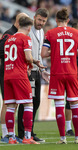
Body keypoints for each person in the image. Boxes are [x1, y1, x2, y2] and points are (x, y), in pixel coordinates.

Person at [41, 8, 78, 144]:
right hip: (72, 73)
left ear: (56, 20)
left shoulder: (50, 33)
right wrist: (71, 53)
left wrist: (56, 53)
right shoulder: (76, 33)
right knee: (75, 105)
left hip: (57, 73)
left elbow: (43, 54)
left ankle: (63, 138)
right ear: (68, 20)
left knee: (59, 106)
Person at [4, 16, 39, 144]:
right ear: (29, 27)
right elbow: (28, 57)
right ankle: (27, 137)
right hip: (19, 75)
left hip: (7, 75)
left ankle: (11, 137)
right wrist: (30, 66)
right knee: (29, 104)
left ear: (18, 25)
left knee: (11, 107)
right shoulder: (25, 38)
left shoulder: (8, 40)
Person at [17, 8, 49, 142]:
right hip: (27, 71)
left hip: (36, 71)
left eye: (44, 21)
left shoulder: (41, 32)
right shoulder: (27, 31)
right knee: (26, 102)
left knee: (35, 102)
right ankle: (22, 133)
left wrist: (42, 71)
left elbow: (38, 54)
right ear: (35, 17)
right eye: (39, 19)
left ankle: (29, 131)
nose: (41, 23)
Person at [0, 12, 29, 143]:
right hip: (13, 71)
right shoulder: (9, 34)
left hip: (8, 73)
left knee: (11, 104)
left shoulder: (10, 38)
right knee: (13, 103)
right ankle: (7, 134)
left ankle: (11, 136)